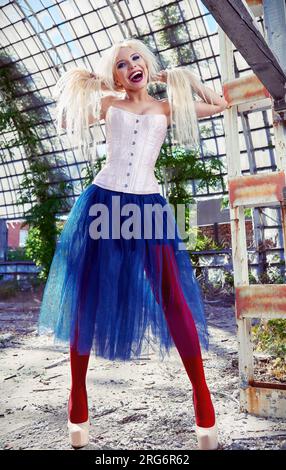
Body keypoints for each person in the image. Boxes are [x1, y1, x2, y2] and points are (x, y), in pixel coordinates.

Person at [38, 37, 228, 450]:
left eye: (136, 58)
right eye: (121, 64)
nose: (131, 67)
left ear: (149, 64)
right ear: (115, 75)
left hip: (148, 210)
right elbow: (67, 123)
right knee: (87, 299)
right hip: (103, 203)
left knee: (173, 299)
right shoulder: (108, 104)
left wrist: (181, 79)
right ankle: (78, 399)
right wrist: (92, 90)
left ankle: (202, 398)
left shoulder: (165, 108)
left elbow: (220, 105)